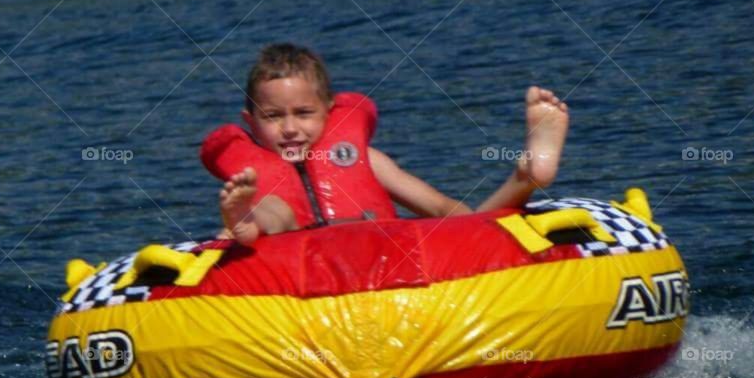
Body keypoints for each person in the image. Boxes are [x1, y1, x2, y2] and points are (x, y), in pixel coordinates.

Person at [201, 44, 568, 246]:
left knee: (471, 226)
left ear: (329, 112)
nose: (290, 128)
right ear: (249, 123)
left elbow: (438, 205)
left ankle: (525, 177)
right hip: (296, 265)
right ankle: (247, 224)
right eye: (273, 117)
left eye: (303, 113)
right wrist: (236, 222)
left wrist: (474, 231)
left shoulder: (364, 159)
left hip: (386, 268)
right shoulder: (250, 180)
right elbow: (261, 222)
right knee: (272, 207)